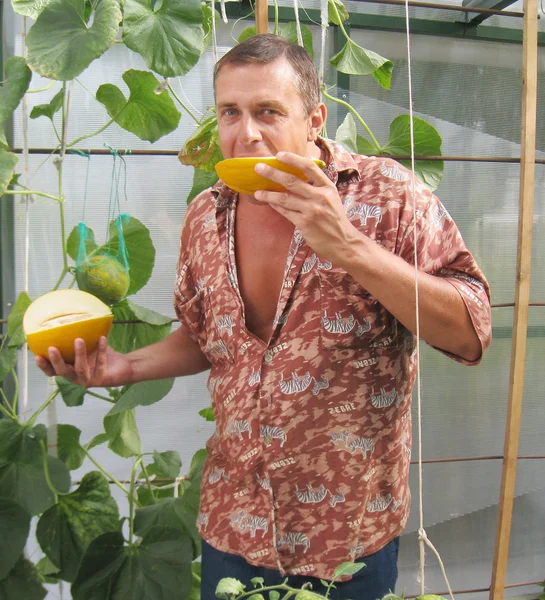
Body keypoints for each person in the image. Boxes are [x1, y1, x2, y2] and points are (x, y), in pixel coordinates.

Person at [36, 34, 491, 600]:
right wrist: (122, 368)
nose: (246, 133)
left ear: (314, 119)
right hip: (234, 525)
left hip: (348, 539)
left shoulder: (389, 196)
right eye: (230, 112)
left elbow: (473, 333)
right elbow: (210, 339)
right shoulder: (206, 214)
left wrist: (349, 247)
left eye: (268, 112)